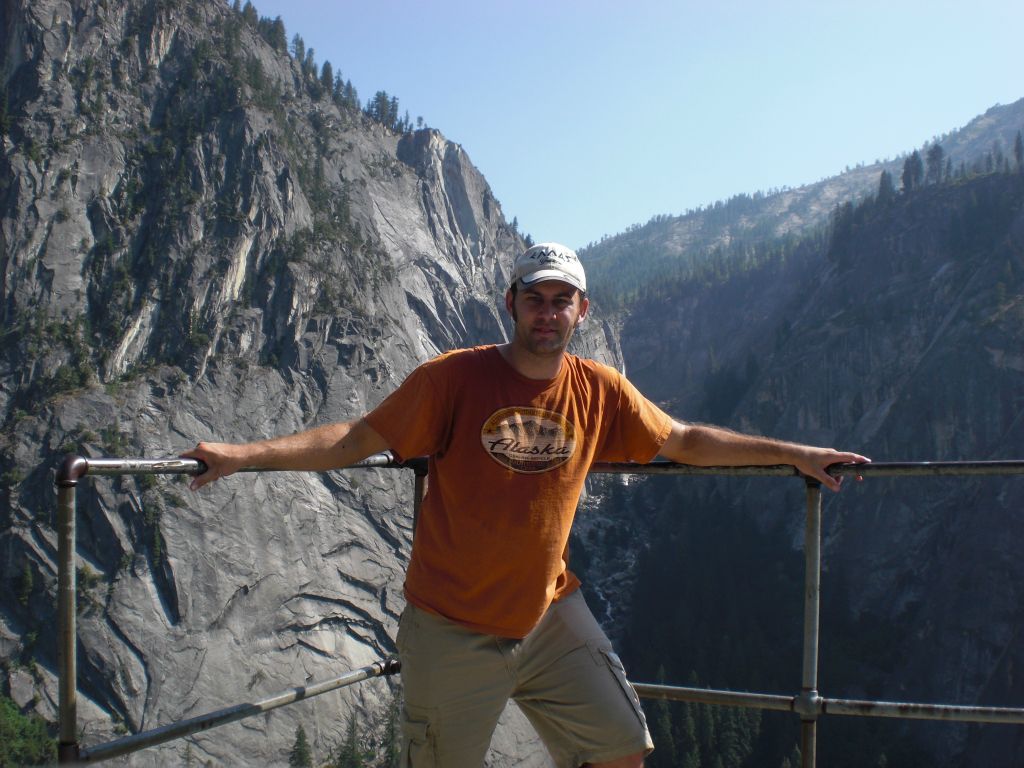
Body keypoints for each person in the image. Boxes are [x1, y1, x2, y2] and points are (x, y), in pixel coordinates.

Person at [184, 242, 868, 768]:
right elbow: (356, 439)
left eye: (561, 300)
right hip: (452, 625)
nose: (548, 312)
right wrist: (243, 455)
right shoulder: (452, 378)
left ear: (582, 310)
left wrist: (795, 455)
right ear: (511, 302)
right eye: (535, 298)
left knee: (621, 747)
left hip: (547, 616)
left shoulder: (599, 389)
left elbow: (683, 441)